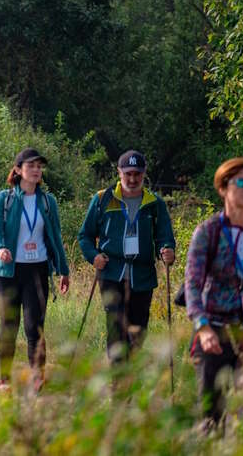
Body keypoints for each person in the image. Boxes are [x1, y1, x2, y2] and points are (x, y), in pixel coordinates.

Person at [78, 150, 176, 364]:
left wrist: (167, 250)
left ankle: (130, 374)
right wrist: (93, 256)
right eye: (128, 174)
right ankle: (117, 384)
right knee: (115, 327)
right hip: (111, 273)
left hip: (142, 276)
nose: (132, 179)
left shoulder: (154, 203)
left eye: (137, 174)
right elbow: (85, 236)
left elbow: (164, 237)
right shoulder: (103, 199)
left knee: (138, 331)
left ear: (144, 174)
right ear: (119, 172)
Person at [184, 157, 243, 429]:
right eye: (241, 182)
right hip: (214, 331)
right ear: (223, 188)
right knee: (212, 416)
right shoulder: (208, 232)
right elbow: (192, 284)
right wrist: (202, 327)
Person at [0, 148, 70, 391]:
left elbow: (55, 235)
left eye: (39, 166)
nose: (36, 170)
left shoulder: (48, 201)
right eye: (31, 165)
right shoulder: (5, 199)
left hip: (37, 269)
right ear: (18, 169)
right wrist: (0, 247)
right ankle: (4, 379)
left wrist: (63, 269)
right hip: (8, 272)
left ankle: (38, 377)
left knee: (35, 327)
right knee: (9, 326)